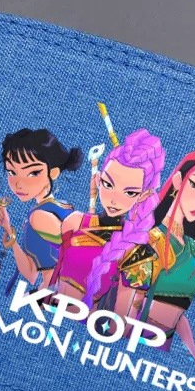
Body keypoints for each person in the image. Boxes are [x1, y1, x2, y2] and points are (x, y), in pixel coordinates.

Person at [112, 148, 195, 362]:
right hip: (133, 348)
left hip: (160, 350)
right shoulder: (149, 239)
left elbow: (178, 313)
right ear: (178, 180)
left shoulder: (190, 245)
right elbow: (123, 311)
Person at [48, 129, 165, 307]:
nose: (114, 199)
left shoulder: (138, 250)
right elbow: (51, 273)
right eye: (108, 184)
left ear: (143, 196)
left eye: (130, 192)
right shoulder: (75, 221)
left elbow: (123, 313)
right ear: (98, 180)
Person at [0, 128, 82, 287]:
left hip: (58, 293)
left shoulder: (40, 216)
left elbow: (79, 262)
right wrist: (8, 229)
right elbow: (31, 274)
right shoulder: (60, 207)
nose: (18, 183)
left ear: (53, 172)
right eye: (11, 172)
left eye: (33, 173)